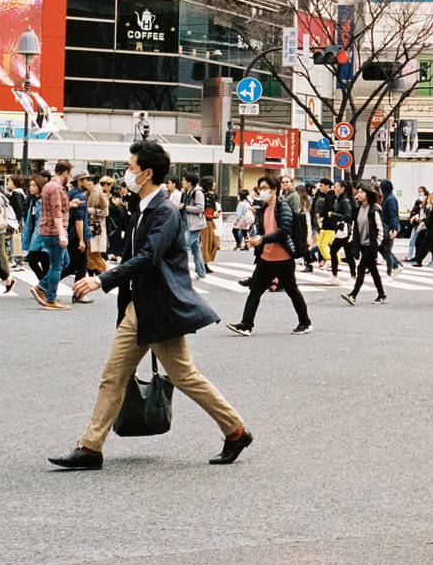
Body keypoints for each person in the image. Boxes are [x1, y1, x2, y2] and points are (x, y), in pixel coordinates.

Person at [49, 140, 251, 470]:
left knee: (185, 377)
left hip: (160, 309)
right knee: (113, 376)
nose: (126, 174)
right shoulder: (141, 208)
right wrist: (106, 276)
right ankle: (90, 448)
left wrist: (101, 280)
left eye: (130, 169)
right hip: (138, 308)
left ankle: (236, 430)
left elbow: (148, 257)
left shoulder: (165, 211)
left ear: (146, 173)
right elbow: (132, 256)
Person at [229, 175, 311, 336]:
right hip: (266, 258)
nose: (262, 191)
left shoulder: (283, 207)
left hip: (283, 258)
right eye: (260, 188)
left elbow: (284, 231)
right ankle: (246, 325)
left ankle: (305, 322)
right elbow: (263, 231)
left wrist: (262, 239)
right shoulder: (263, 209)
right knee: (255, 291)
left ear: (274, 190)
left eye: (265, 188)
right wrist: (255, 240)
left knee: (292, 290)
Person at [31, 161, 72, 308]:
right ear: (66, 172)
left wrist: (70, 204)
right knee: (57, 265)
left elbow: (53, 207)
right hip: (54, 231)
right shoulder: (55, 187)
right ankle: (50, 298)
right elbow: (56, 211)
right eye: (69, 174)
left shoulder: (50, 186)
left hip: (48, 230)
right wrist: (62, 234)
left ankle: (43, 288)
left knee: (64, 262)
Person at [342, 183, 384, 304]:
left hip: (371, 244)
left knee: (361, 268)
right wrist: (352, 240)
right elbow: (355, 226)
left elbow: (380, 228)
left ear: (368, 194)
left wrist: (376, 244)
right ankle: (382, 295)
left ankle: (353, 295)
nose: (358, 194)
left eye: (361, 192)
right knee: (374, 270)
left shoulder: (374, 209)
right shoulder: (358, 209)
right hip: (361, 244)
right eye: (358, 192)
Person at [379, 179, 401, 275]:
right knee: (384, 249)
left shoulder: (390, 199)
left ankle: (393, 269)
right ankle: (396, 266)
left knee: (387, 250)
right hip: (387, 227)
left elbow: (393, 215)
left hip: (389, 228)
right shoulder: (388, 197)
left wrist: (393, 229)